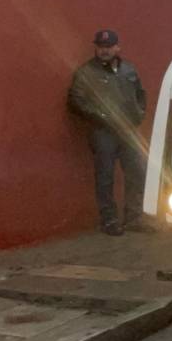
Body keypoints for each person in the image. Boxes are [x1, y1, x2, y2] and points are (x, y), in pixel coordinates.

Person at [67, 30, 151, 235]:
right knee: (105, 177)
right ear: (96, 48)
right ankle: (109, 220)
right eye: (100, 47)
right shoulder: (86, 73)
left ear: (117, 47)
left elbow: (140, 94)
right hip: (103, 132)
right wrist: (100, 117)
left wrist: (139, 115)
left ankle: (134, 218)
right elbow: (75, 101)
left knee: (137, 172)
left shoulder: (128, 70)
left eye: (108, 46)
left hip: (129, 130)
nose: (104, 51)